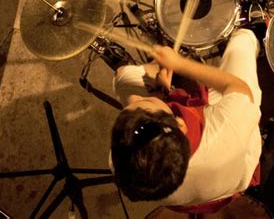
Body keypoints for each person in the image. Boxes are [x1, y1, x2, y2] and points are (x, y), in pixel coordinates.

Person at [111, 29, 262, 209]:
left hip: (195, 196)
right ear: (180, 124)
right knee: (242, 41)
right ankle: (253, 30)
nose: (135, 99)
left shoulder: (123, 163)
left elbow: (136, 108)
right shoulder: (225, 129)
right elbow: (238, 87)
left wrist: (159, 94)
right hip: (238, 159)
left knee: (123, 77)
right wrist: (179, 64)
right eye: (145, 101)